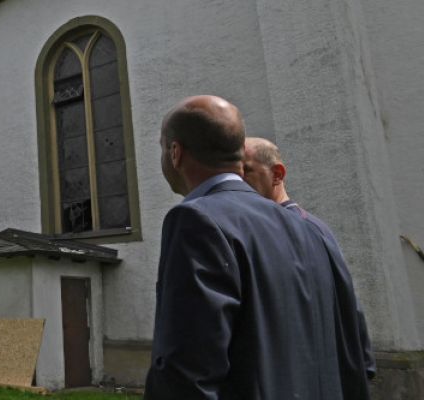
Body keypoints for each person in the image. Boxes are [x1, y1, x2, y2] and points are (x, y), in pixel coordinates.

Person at [146, 95, 371, 399]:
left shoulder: (197, 220)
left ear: (175, 153)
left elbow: (188, 369)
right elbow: (352, 346)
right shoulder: (308, 227)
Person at [242, 137, 377, 382]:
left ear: (277, 175)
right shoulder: (281, 226)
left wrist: (362, 367)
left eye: (247, 171)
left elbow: (346, 300)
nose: (239, 181)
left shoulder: (299, 228)